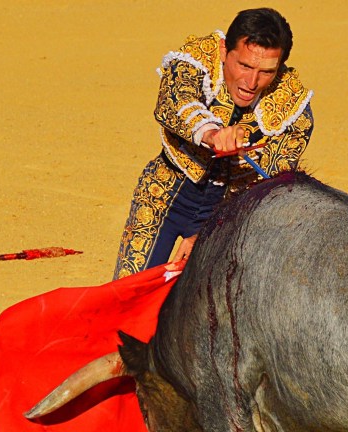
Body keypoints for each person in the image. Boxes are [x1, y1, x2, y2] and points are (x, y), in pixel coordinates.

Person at [113, 8, 314, 280]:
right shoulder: (198, 59)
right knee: (131, 293)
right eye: (244, 66)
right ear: (223, 50)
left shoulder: (293, 108)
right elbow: (176, 101)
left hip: (229, 216)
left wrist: (208, 231)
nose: (251, 82)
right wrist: (210, 133)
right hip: (164, 197)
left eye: (266, 72)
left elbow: (268, 187)